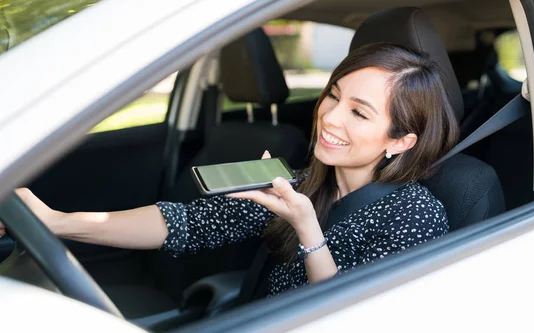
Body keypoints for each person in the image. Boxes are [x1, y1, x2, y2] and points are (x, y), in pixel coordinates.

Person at [0, 42, 458, 297]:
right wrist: (57, 222)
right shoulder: (301, 181)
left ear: (400, 141)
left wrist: (305, 228)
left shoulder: (415, 216)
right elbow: (184, 223)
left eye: (359, 113)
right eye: (334, 95)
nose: (331, 117)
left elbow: (349, 315)